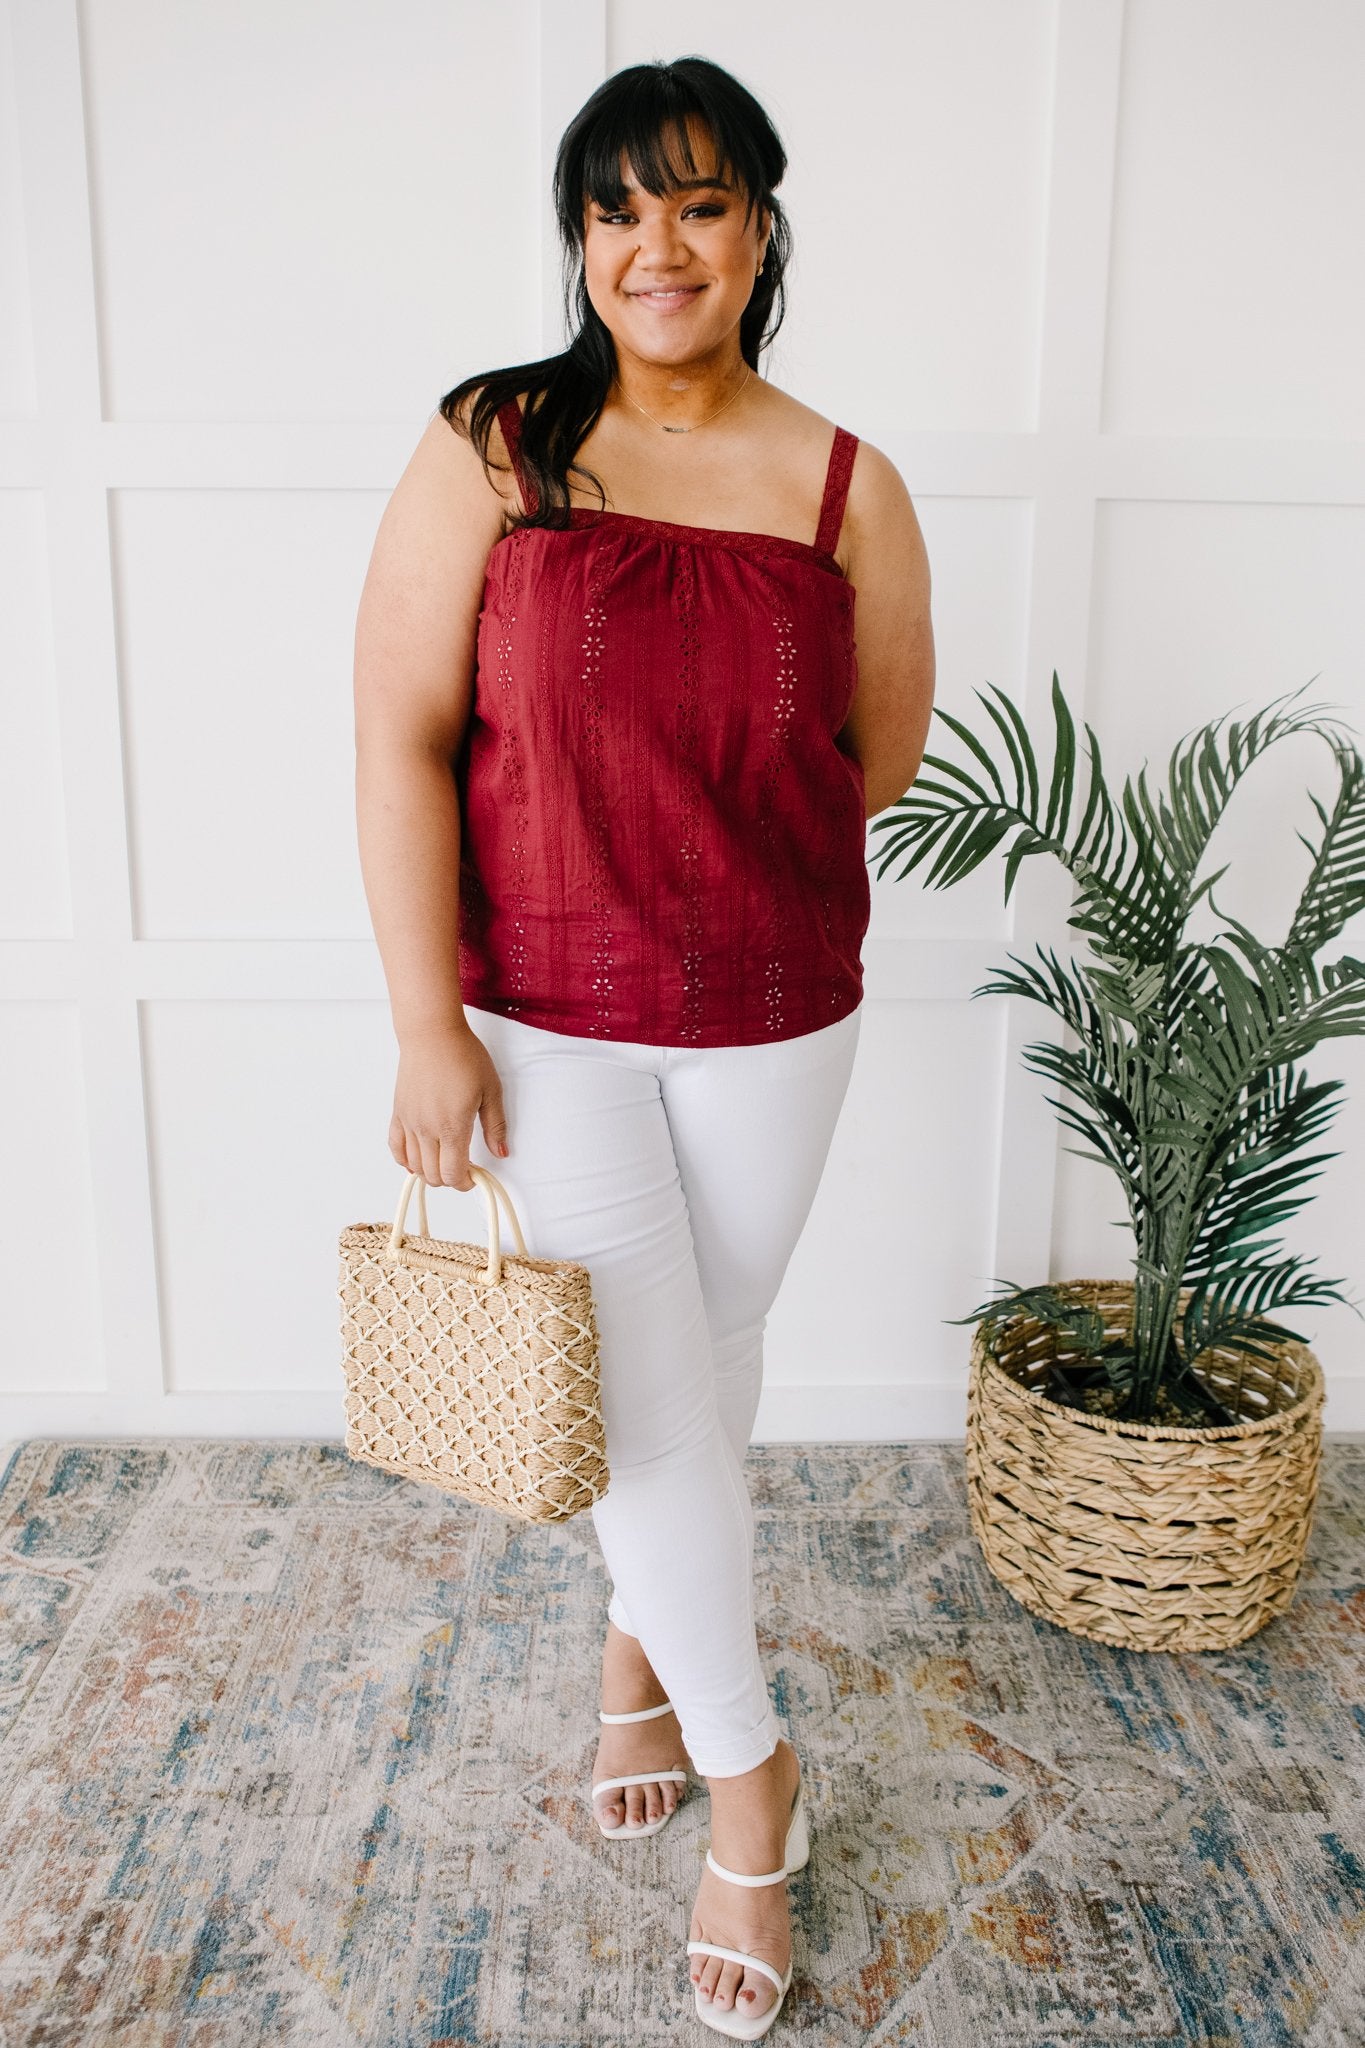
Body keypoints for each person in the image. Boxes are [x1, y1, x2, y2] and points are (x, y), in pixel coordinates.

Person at [353, 53, 934, 2040]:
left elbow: (883, 754)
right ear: (575, 241)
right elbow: (400, 737)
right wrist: (426, 1018)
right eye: (609, 210)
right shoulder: (495, 443)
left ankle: (631, 1658)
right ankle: (752, 1784)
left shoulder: (843, 481)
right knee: (647, 1400)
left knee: (707, 1355)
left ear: (761, 226)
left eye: (691, 202)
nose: (647, 246)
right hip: (539, 1013)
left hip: (777, 1011)